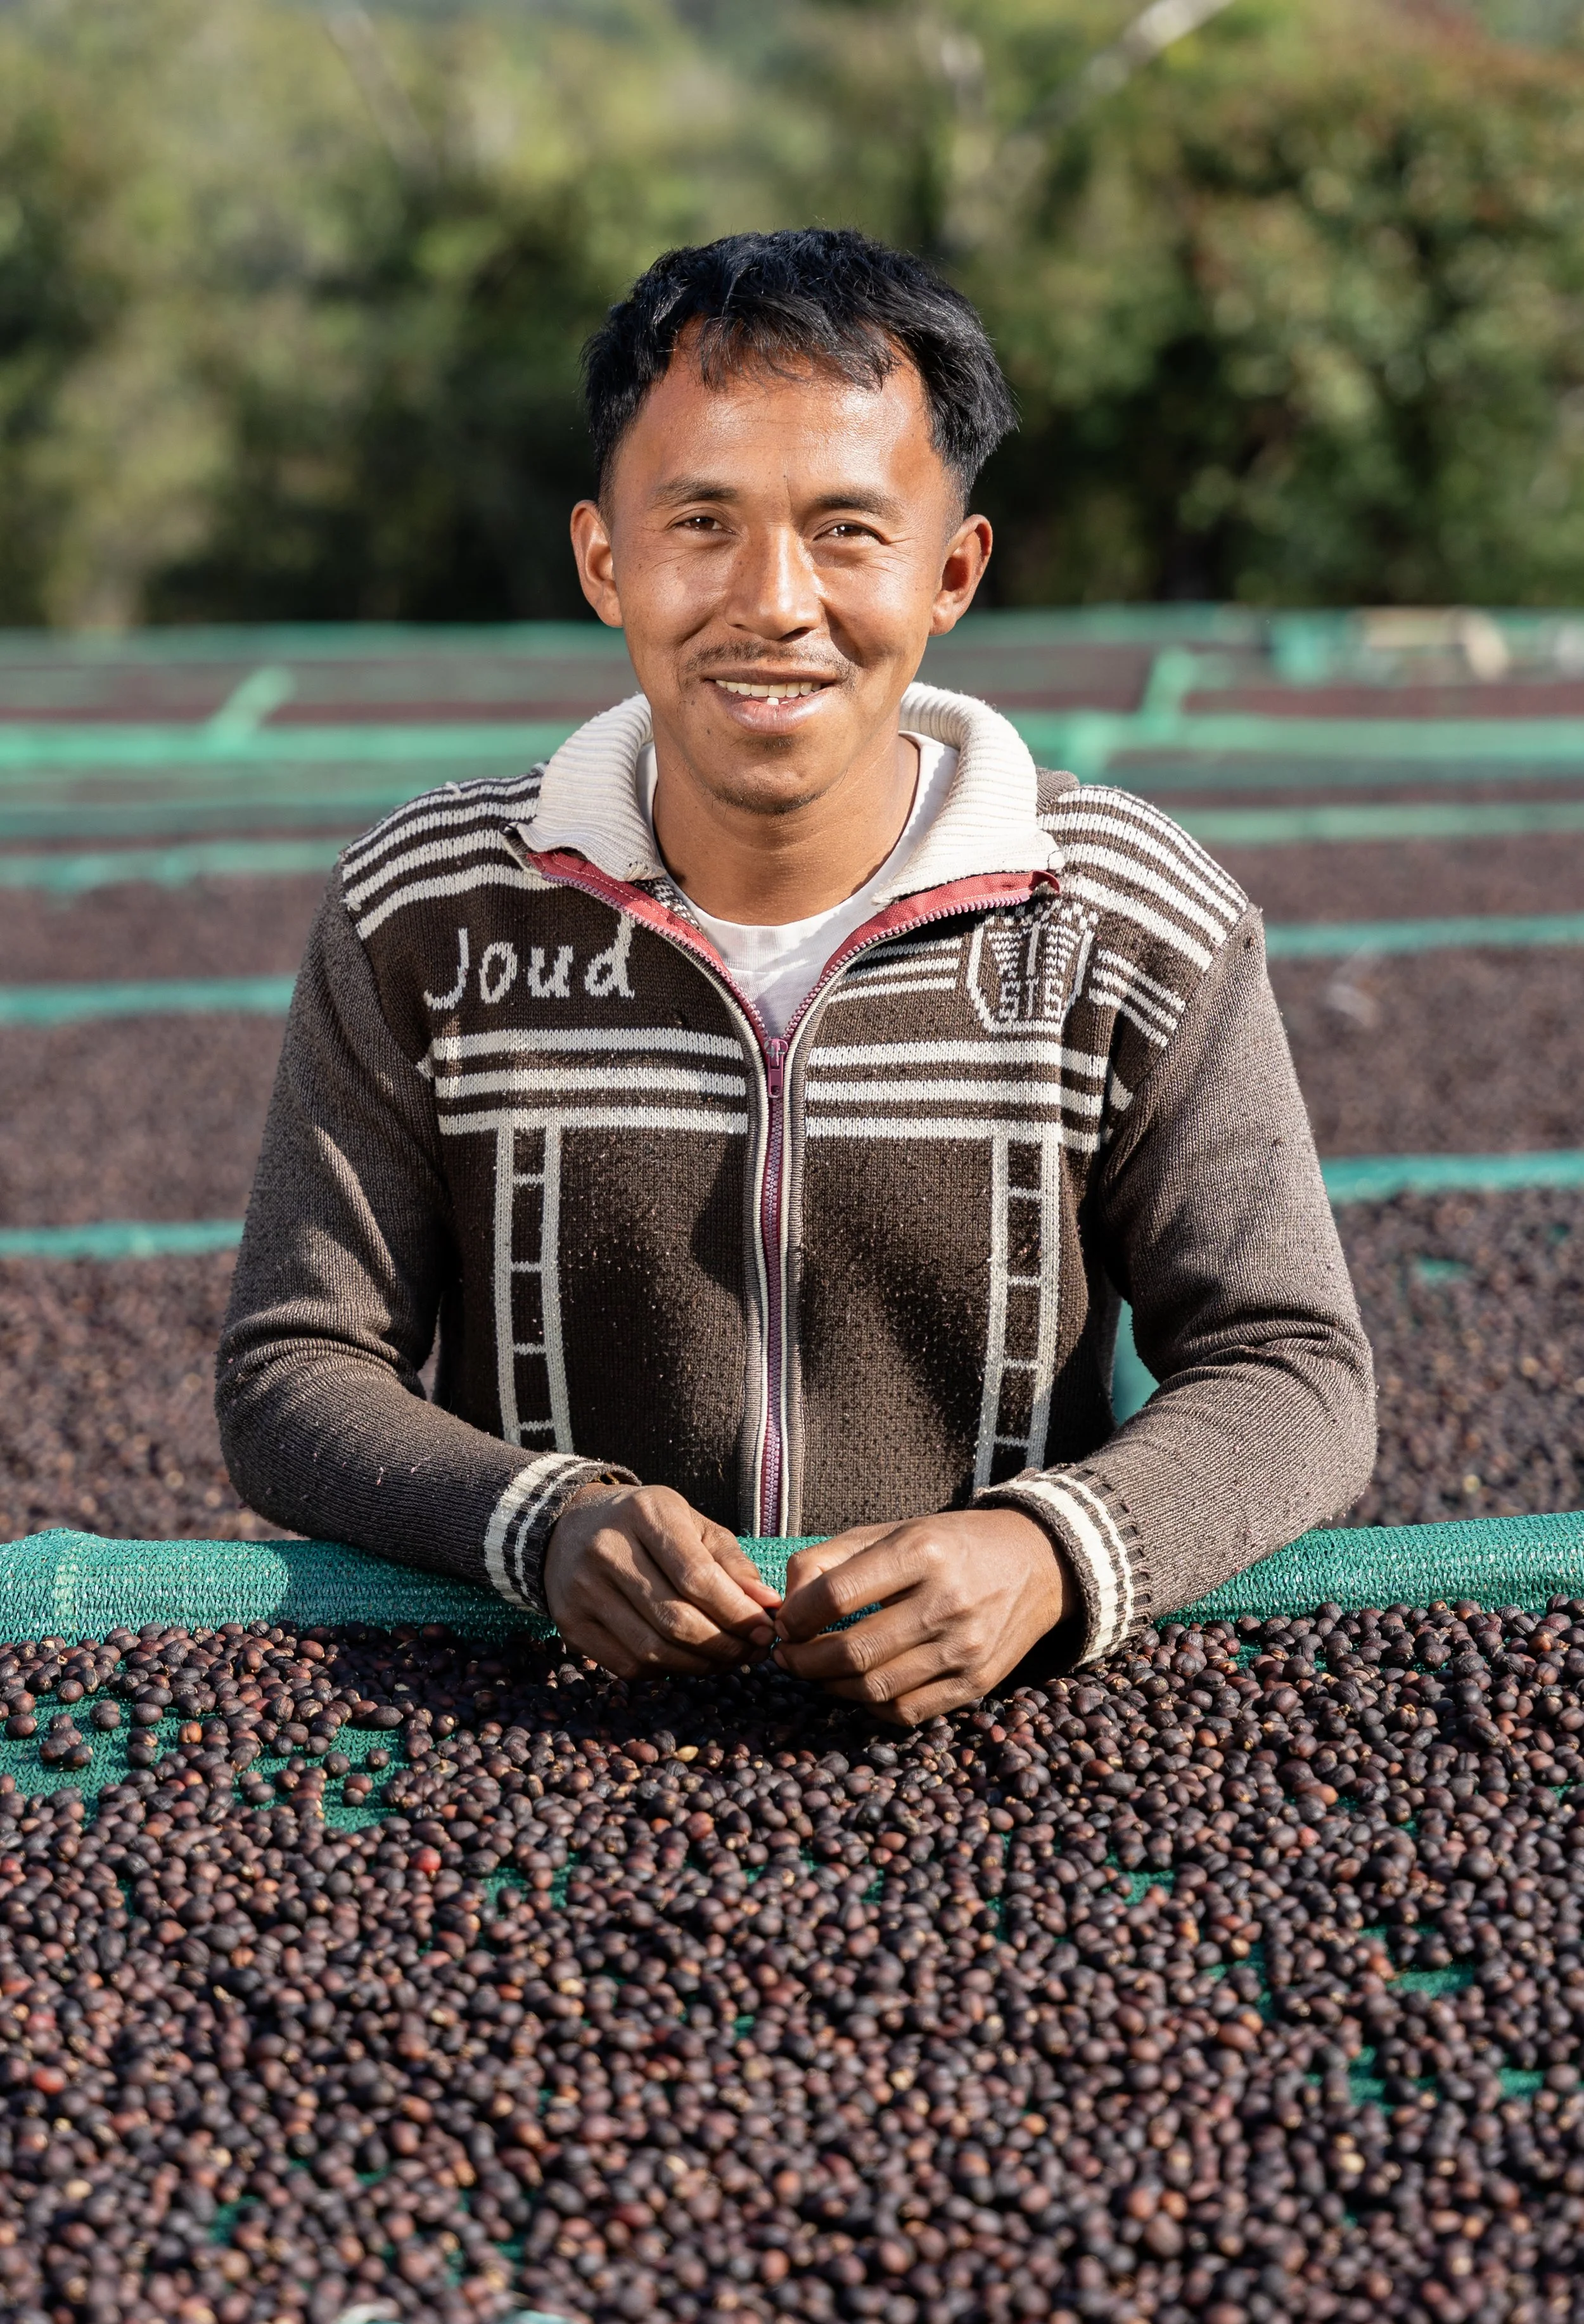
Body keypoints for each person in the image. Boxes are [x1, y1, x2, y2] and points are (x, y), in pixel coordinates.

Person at [217, 228, 1374, 1725]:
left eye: (846, 531)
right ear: (601, 559)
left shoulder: (1127, 919)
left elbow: (1293, 1368)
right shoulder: (423, 913)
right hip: (535, 1727)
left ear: (950, 571)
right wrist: (535, 1519)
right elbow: (294, 1367)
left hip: (997, 1739)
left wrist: (1046, 1553)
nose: (771, 601)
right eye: (700, 522)